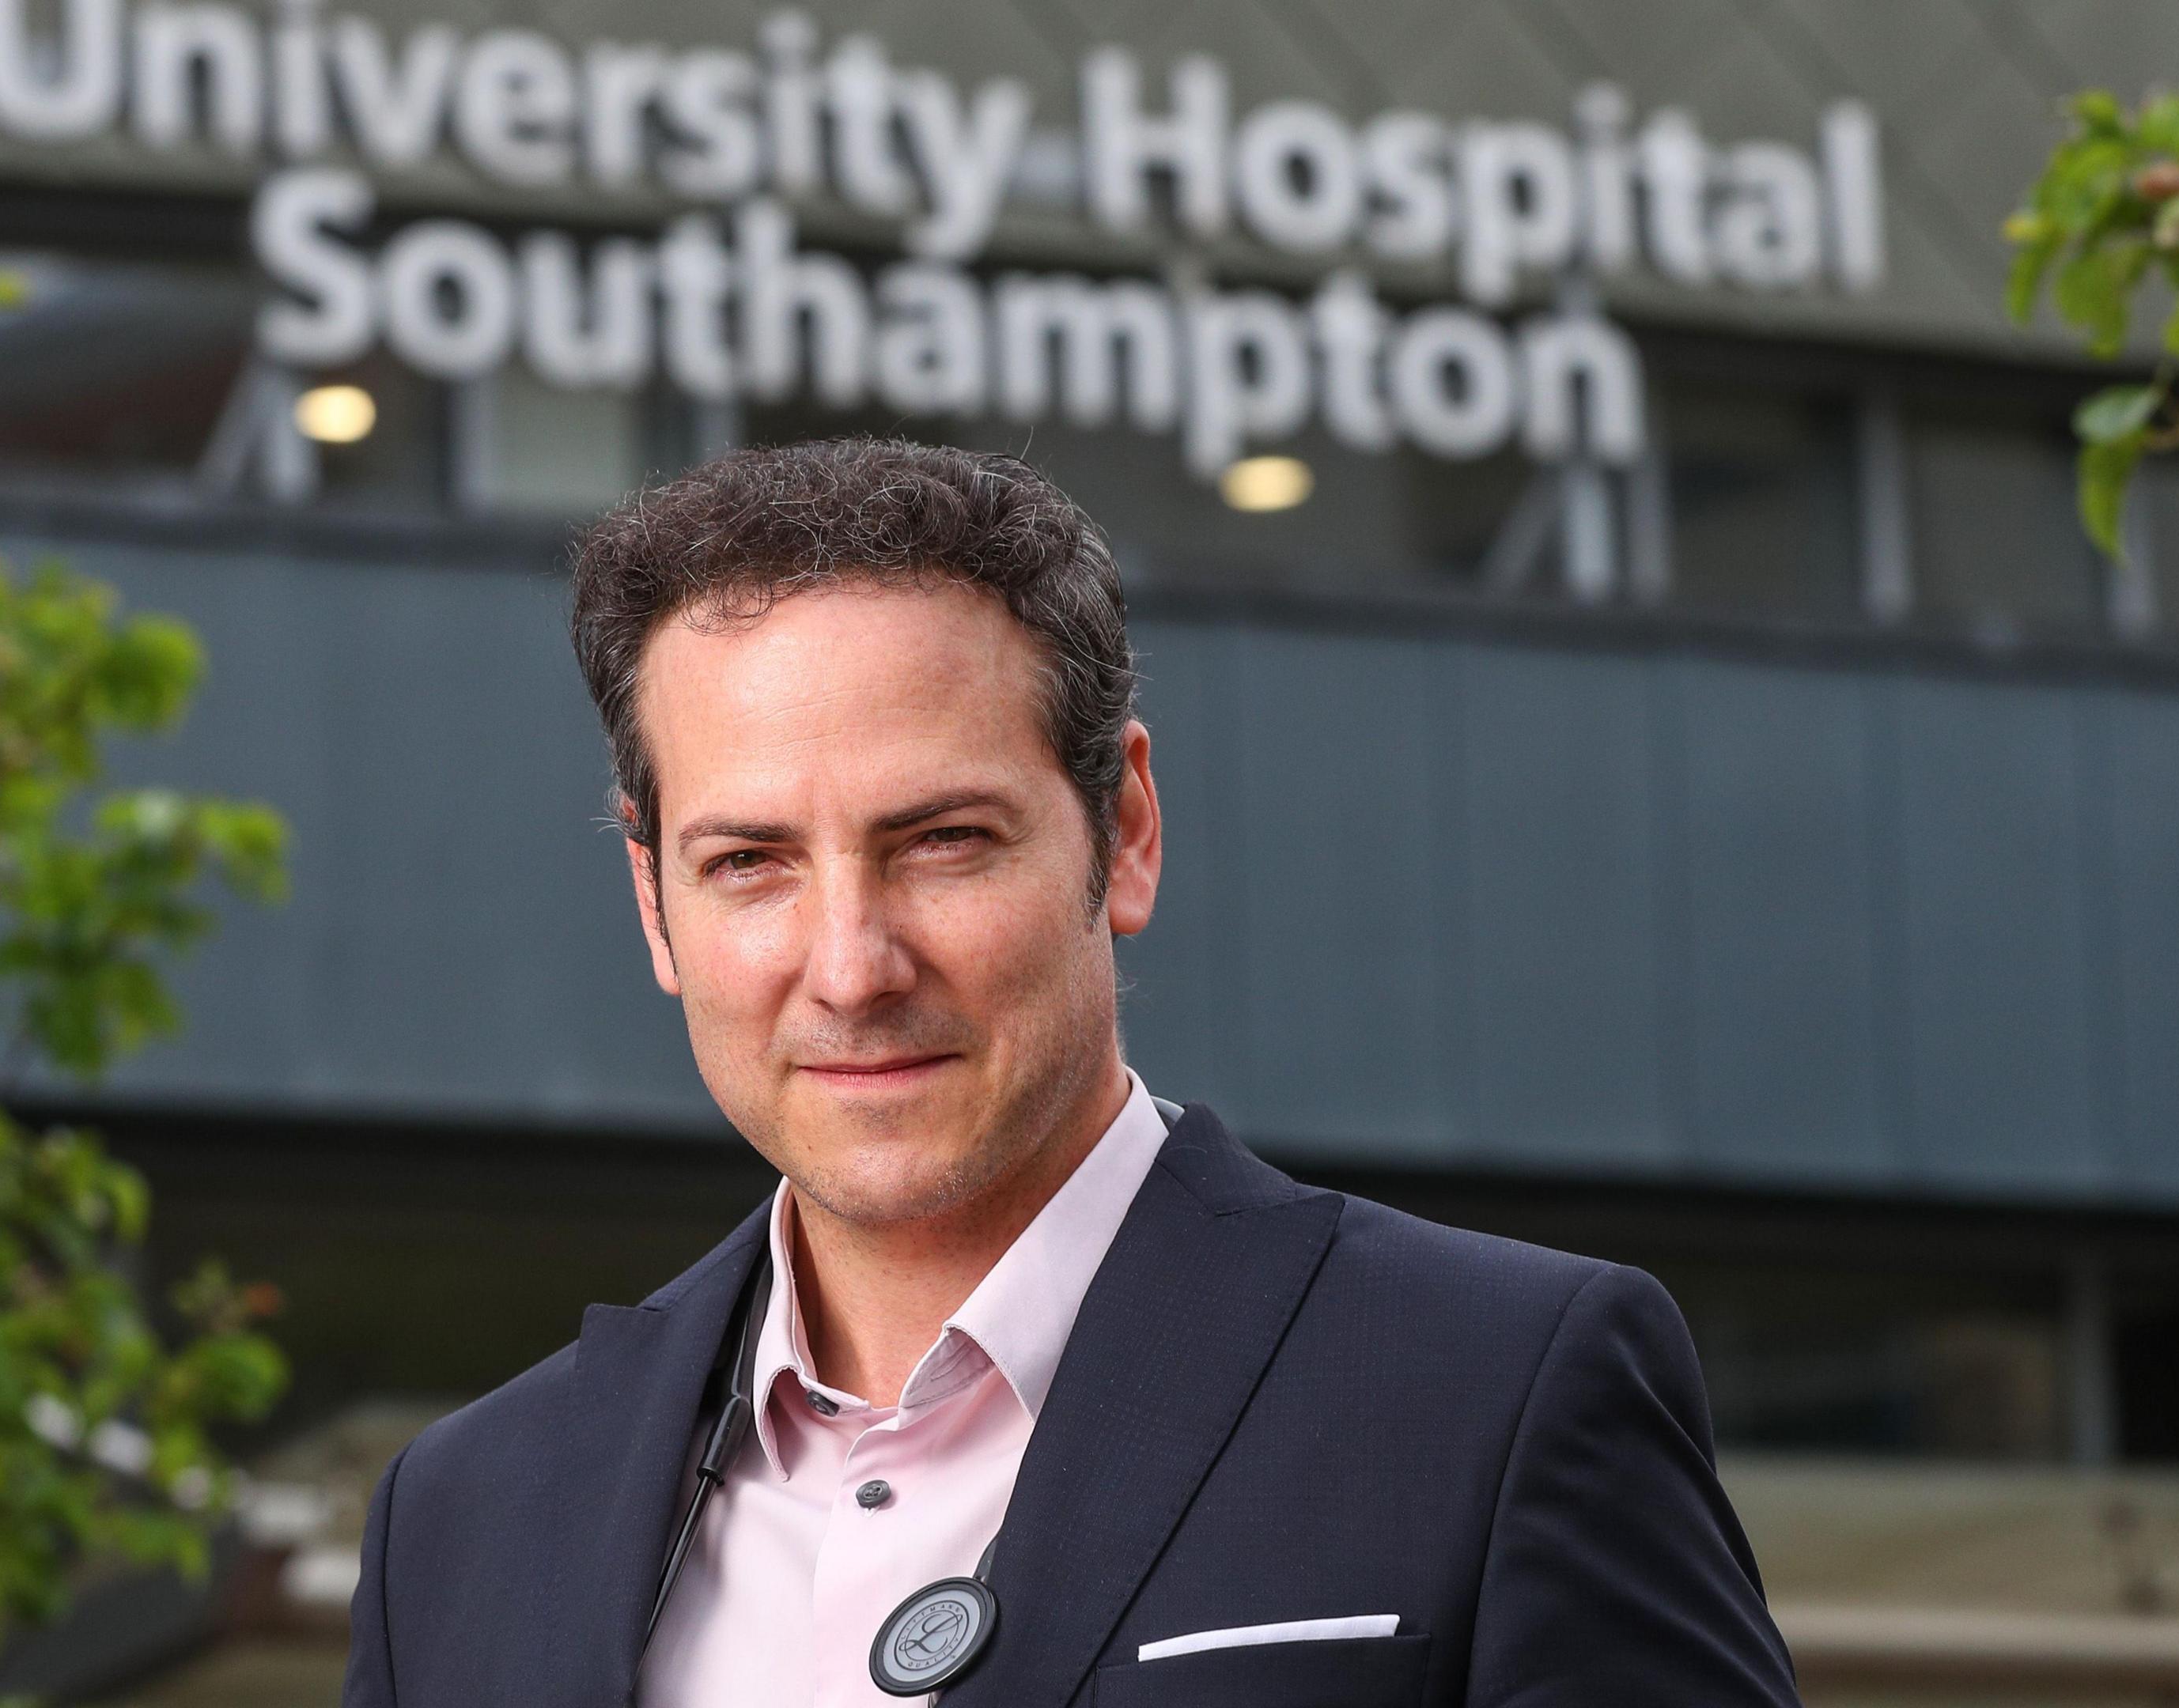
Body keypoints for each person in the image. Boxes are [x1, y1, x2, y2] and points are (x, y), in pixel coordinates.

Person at [341, 439, 1799, 1708]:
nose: (851, 968)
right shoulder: (464, 1524)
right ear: (656, 905)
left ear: (1127, 830)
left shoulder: (1496, 1393)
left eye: (944, 843)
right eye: (752, 865)